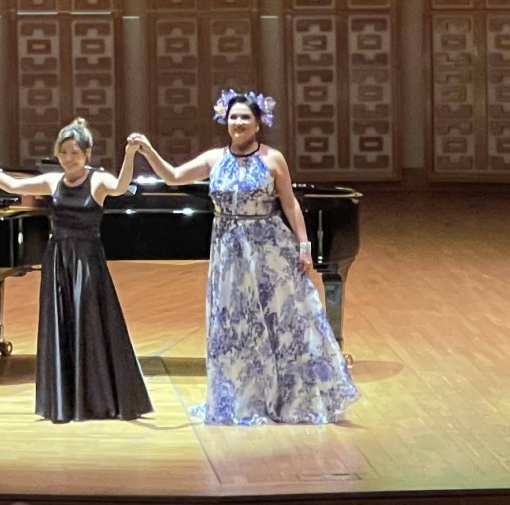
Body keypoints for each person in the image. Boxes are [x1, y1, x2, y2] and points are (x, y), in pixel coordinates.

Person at [128, 89, 360, 425]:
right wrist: (146, 149)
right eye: (233, 117)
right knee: (235, 325)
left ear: (258, 123)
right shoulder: (214, 159)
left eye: (245, 118)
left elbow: (290, 203)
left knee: (281, 321)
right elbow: (173, 177)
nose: (238, 123)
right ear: (225, 120)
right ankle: (242, 398)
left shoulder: (272, 158)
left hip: (269, 249)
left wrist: (305, 246)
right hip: (229, 250)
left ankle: (290, 396)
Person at [0, 118, 153, 423]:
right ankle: (66, 401)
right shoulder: (53, 182)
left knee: (89, 324)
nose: (68, 158)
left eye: (75, 152)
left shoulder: (98, 181)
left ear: (87, 154)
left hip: (87, 262)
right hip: (58, 261)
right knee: (62, 326)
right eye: (63, 153)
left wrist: (130, 155)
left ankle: (99, 399)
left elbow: (120, 187)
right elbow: (11, 185)